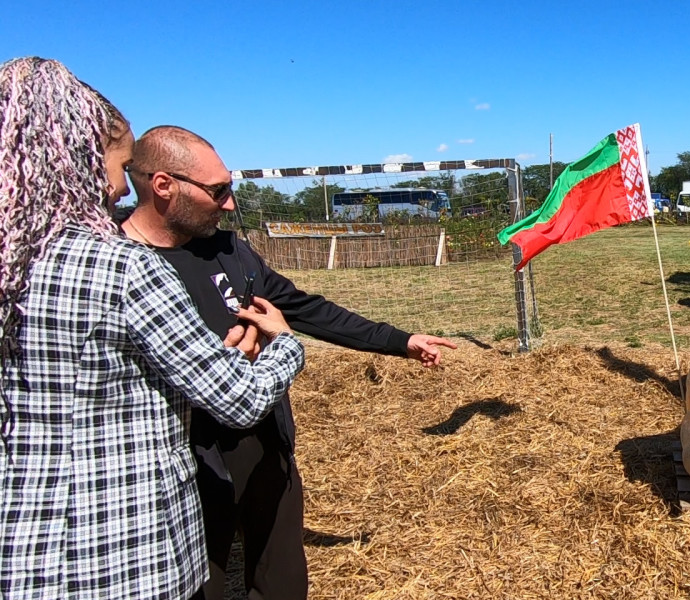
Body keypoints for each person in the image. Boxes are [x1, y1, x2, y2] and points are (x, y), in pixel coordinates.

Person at [0, 58, 305, 600]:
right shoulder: (120, 266)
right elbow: (237, 399)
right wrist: (284, 345)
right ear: (72, 156)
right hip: (124, 548)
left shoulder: (11, 269)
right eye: (118, 165)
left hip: (21, 550)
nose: (121, 187)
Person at [120, 125, 459, 600]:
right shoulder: (119, 266)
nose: (231, 204)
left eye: (230, 189)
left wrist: (399, 341)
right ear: (163, 185)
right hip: (188, 463)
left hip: (264, 439)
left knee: (281, 581)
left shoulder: (228, 248)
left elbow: (303, 308)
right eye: (218, 192)